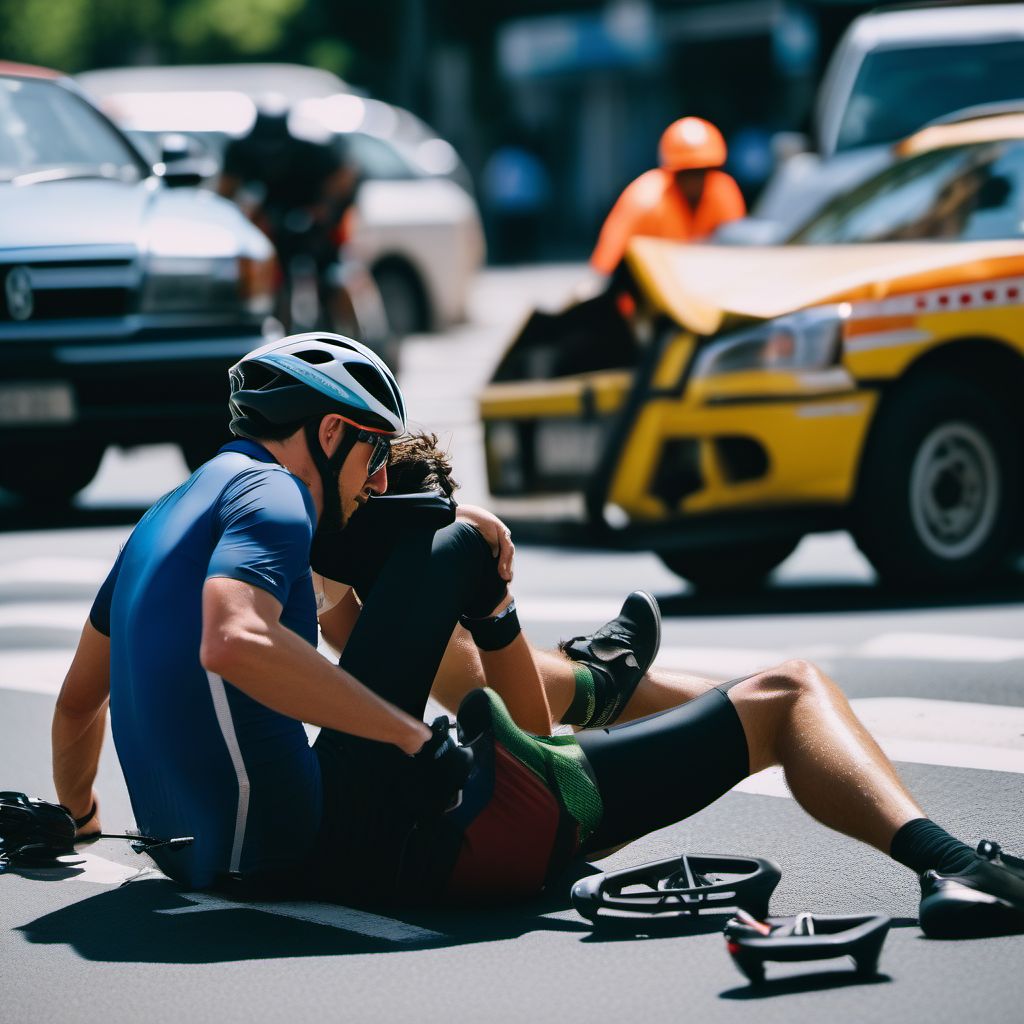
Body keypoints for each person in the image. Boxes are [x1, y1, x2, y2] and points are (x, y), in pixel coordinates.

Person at [51, 333, 1024, 935]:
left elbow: (75, 708)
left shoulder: (160, 520)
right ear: (336, 434)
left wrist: (87, 829)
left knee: (438, 555)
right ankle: (955, 866)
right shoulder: (272, 494)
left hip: (243, 853)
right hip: (365, 846)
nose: (363, 482)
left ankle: (589, 686)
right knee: (793, 690)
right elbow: (237, 642)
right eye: (370, 458)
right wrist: (415, 736)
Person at [590, 116, 746, 276]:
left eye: (701, 172)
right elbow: (606, 266)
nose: (695, 181)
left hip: (701, 289)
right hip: (648, 290)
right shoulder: (644, 200)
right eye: (687, 173)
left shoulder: (724, 192)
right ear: (672, 172)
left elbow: (736, 254)